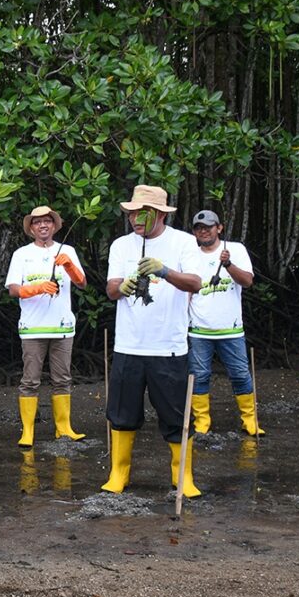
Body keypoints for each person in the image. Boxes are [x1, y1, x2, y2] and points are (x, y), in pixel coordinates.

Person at [99, 185, 204, 497]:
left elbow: (195, 282)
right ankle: (119, 473)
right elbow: (111, 289)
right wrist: (123, 287)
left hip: (169, 347)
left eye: (141, 213)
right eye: (131, 213)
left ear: (159, 214)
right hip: (128, 346)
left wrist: (165, 270)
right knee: (122, 413)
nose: (135, 219)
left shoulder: (184, 242)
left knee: (175, 415)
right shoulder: (121, 245)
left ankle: (183, 476)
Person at [5, 205, 87, 447]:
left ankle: (64, 429)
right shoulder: (22, 254)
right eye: (37, 222)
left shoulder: (67, 250)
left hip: (62, 327)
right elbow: (12, 289)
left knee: (62, 378)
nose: (42, 225)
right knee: (30, 380)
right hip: (32, 328)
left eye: (47, 221)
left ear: (54, 225)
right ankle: (28, 431)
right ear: (31, 228)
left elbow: (82, 283)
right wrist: (36, 288)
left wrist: (70, 266)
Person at [185, 209, 262, 436]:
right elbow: (187, 291)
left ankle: (250, 420)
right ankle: (202, 422)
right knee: (199, 375)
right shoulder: (190, 254)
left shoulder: (235, 249)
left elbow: (247, 281)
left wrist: (228, 265)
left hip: (232, 329)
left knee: (240, 373)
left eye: (208, 226)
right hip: (199, 330)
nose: (204, 231)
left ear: (219, 228)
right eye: (199, 228)